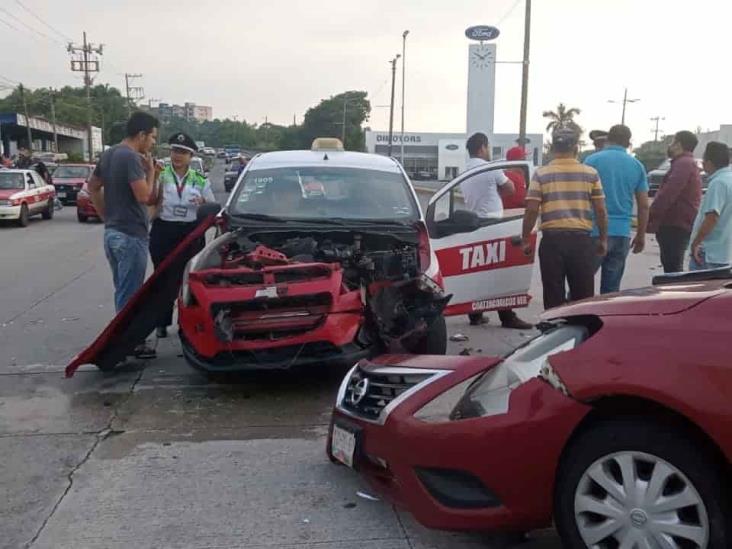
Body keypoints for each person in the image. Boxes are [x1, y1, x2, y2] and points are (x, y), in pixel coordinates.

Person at [88, 111, 160, 358]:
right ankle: (125, 344)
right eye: (152, 138)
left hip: (113, 233)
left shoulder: (109, 154)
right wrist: (151, 172)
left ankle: (123, 340)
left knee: (123, 289)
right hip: (130, 235)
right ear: (141, 135)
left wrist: (106, 216)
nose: (152, 143)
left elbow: (92, 186)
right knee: (130, 294)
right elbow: (144, 197)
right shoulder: (130, 158)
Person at [521, 127, 608, 310]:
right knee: (583, 297)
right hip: (581, 241)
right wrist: (602, 239)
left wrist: (525, 238)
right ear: (576, 148)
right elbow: (600, 210)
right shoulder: (590, 173)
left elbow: (531, 210)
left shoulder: (541, 174)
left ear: (553, 148)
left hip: (552, 241)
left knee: (553, 294)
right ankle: (581, 334)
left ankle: (554, 333)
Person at [461, 132, 532, 330]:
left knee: (479, 271)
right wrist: (495, 192)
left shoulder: (466, 170)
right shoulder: (489, 168)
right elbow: (510, 189)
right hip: (494, 225)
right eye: (488, 147)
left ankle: (475, 314)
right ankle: (507, 316)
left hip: (475, 222)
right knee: (502, 272)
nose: (489, 151)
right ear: (482, 147)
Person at [148, 132, 216, 338]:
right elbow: (149, 198)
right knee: (162, 278)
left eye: (183, 152)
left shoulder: (200, 180)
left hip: (190, 233)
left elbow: (212, 206)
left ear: (191, 156)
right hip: (164, 230)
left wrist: (203, 204)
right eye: (175, 151)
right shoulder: (160, 174)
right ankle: (161, 322)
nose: (177, 156)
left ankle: (185, 323)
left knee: (188, 280)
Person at [584, 125, 649, 293]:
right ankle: (607, 318)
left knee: (581, 286)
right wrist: (641, 235)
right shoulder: (637, 165)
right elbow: (643, 205)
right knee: (611, 290)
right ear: (628, 143)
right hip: (622, 234)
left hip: (594, 231)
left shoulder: (592, 161)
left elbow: (581, 197)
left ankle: (574, 318)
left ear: (608, 139)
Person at [648, 131, 701, 273]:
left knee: (672, 269)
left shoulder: (683, 164)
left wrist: (651, 214)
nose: (670, 146)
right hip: (677, 223)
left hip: (675, 224)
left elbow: (668, 193)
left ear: (679, 145)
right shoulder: (685, 163)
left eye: (672, 142)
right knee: (671, 265)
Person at [689, 142, 732, 271]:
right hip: (726, 254)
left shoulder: (718, 183)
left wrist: (696, 243)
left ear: (709, 162)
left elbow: (712, 217)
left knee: (699, 290)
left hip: (710, 254)